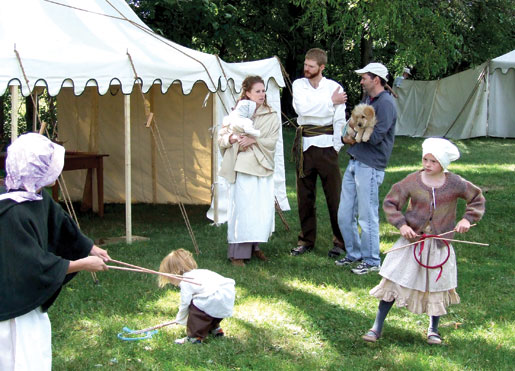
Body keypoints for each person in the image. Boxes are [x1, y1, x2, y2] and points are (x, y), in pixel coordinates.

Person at [0, 133, 110, 370]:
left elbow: (61, 225)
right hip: (13, 307)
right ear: (34, 171)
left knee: (36, 355)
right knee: (19, 359)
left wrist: (89, 247)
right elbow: (32, 267)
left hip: (30, 303)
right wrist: (83, 263)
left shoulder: (38, 197)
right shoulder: (11, 215)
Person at [362, 138, 485, 345]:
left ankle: (433, 329)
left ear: (443, 164)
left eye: (433, 161)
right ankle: (377, 326)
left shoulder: (454, 183)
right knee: (394, 280)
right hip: (413, 242)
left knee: (437, 285)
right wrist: (402, 225)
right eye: (425, 159)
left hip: (439, 244)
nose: (427, 165)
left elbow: (477, 198)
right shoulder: (412, 181)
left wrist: (467, 219)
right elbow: (391, 203)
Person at [336, 62, 397, 274]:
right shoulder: (367, 100)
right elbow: (355, 125)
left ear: (376, 80)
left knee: (366, 214)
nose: (361, 81)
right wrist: (350, 135)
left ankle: (372, 260)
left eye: (364, 78)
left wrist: (353, 136)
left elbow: (377, 136)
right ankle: (354, 254)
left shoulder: (386, 104)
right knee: (344, 213)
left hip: (370, 165)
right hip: (355, 161)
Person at [290, 48, 347, 258]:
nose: (306, 69)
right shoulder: (299, 85)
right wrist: (330, 103)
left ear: (321, 67)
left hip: (327, 148)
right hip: (304, 147)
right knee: (305, 197)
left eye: (311, 66)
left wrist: (336, 146)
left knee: (335, 197)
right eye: (305, 65)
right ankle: (306, 239)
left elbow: (339, 119)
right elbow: (302, 110)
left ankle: (340, 241)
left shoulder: (334, 87)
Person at [218, 75, 280, 266]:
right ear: (247, 93)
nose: (262, 94)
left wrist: (255, 140)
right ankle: (237, 253)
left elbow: (272, 140)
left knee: (260, 210)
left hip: (262, 165)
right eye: (257, 91)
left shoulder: (270, 115)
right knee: (243, 210)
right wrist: (234, 139)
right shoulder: (236, 114)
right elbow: (221, 138)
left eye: (263, 91)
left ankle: (255, 247)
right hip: (243, 166)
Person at [158, 249, 235, 344]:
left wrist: (180, 318)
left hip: (214, 298)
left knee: (196, 309)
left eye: (169, 278)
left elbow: (185, 303)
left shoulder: (186, 281)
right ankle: (215, 329)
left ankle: (194, 337)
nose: (171, 282)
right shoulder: (200, 272)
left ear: (175, 272)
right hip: (227, 296)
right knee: (208, 308)